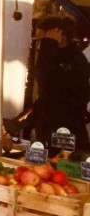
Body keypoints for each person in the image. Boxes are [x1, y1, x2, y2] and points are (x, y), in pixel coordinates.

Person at [32, 16, 90, 151]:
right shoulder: (54, 57)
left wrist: (48, 45)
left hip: (67, 135)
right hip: (49, 131)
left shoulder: (75, 60)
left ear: (59, 36)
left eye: (42, 41)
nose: (40, 46)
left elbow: (46, 81)